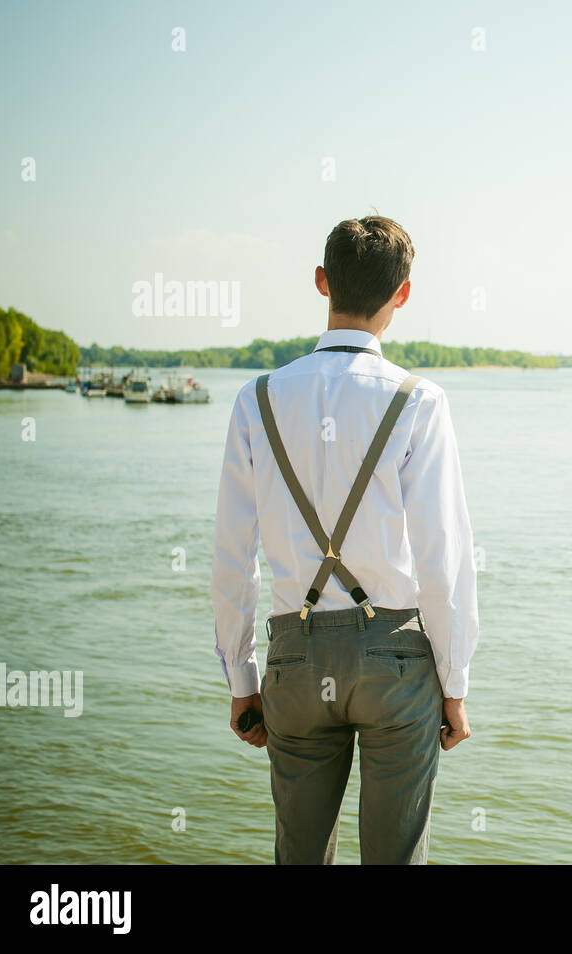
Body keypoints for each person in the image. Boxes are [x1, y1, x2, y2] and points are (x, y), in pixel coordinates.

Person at [210, 215, 479, 864]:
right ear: (404, 293)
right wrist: (455, 683)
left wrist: (242, 679)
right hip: (396, 661)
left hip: (297, 661)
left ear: (321, 282)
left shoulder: (259, 398)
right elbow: (445, 557)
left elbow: (230, 555)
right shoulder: (419, 400)